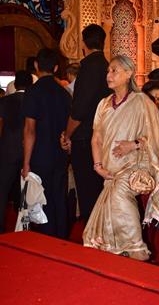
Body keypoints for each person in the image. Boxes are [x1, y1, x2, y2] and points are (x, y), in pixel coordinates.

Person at [83, 55, 159, 261]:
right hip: (108, 171)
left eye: (114, 70)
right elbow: (96, 138)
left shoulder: (141, 102)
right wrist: (98, 165)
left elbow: (157, 137)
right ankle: (119, 252)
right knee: (108, 212)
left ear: (128, 74)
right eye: (108, 71)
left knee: (119, 197)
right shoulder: (104, 104)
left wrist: (133, 145)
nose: (109, 75)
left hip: (133, 168)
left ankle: (137, 251)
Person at [62, 24, 111, 224]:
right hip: (106, 136)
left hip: (86, 139)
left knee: (88, 191)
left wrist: (67, 134)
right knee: (101, 189)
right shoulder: (107, 66)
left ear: (84, 44)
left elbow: (79, 110)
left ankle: (93, 234)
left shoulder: (88, 67)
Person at [22, 48, 72, 239]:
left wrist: (26, 162)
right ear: (57, 67)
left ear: (36, 65)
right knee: (59, 195)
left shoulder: (33, 92)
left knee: (41, 198)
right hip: (60, 153)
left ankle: (47, 239)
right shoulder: (64, 93)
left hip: (39, 154)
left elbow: (29, 129)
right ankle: (61, 237)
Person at [0, 70, 33, 233]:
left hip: (6, 151)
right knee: (26, 192)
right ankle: (26, 227)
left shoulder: (5, 101)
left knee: (2, 191)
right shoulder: (33, 100)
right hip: (29, 151)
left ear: (15, 84)